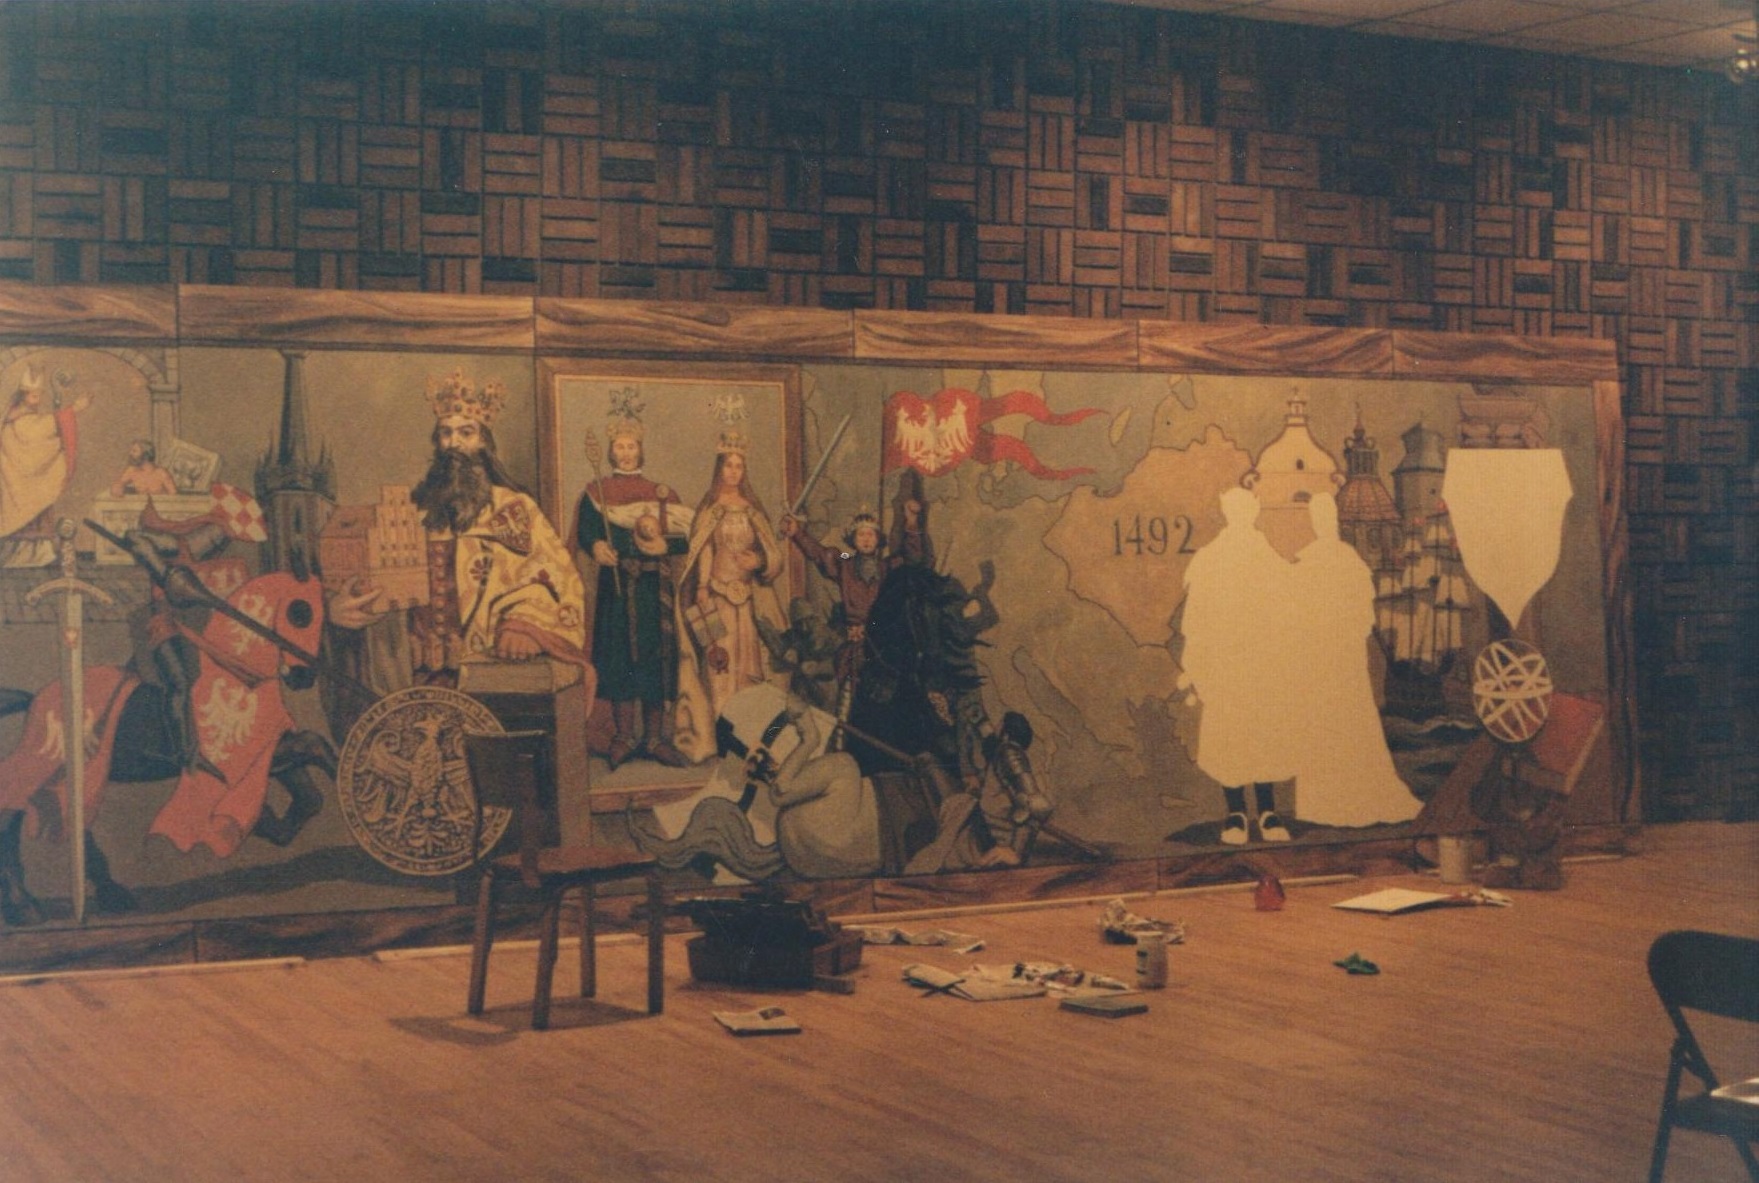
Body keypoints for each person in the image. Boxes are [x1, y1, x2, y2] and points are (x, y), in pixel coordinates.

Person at [326, 371, 589, 735]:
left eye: (466, 432)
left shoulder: (513, 510)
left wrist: (524, 627)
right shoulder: (408, 514)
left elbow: (551, 577)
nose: (453, 443)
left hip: (486, 677)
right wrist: (340, 612)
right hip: (410, 679)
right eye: (445, 434)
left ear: (484, 444)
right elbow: (367, 581)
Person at [1286, 492, 1420, 827]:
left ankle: (1335, 801)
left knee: (1341, 721)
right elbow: (1360, 617)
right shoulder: (1342, 561)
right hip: (1335, 657)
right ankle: (1328, 802)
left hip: (1333, 658)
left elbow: (1354, 615)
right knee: (1335, 721)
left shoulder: (1323, 563)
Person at [1178, 486, 1298, 845]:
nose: (1242, 515)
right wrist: (1197, 662)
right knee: (1230, 735)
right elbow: (1196, 617)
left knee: (1263, 733)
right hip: (1225, 663)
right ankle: (1235, 814)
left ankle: (1268, 811)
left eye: (1247, 509)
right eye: (1235, 509)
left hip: (1263, 662)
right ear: (1227, 513)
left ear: (1254, 512)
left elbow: (1286, 610)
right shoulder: (1210, 558)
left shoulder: (1269, 558)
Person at [573, 414, 691, 769]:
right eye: (619, 447)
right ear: (610, 452)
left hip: (653, 589)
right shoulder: (597, 492)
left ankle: (654, 738)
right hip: (617, 588)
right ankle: (623, 736)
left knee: (655, 661)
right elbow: (586, 531)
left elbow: (684, 535)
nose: (625, 453)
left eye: (631, 446)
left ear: (641, 450)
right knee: (619, 660)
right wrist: (597, 546)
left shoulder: (661, 493)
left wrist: (664, 544)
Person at [673, 430, 788, 763]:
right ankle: (721, 739)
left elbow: (773, 555)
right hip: (717, 600)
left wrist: (759, 561)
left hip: (747, 602)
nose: (733, 471)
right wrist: (702, 588)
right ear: (719, 468)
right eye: (728, 465)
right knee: (719, 668)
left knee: (749, 670)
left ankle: (749, 738)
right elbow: (704, 551)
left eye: (739, 466)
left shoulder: (752, 511)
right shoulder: (711, 510)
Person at [778, 501, 927, 741]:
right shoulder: (846, 561)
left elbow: (913, 559)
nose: (866, 539)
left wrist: (911, 522)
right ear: (853, 539)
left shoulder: (888, 565)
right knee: (846, 691)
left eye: (871, 534)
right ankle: (840, 739)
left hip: (884, 643)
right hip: (854, 646)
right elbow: (822, 553)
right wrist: (797, 532)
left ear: (878, 539)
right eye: (861, 535)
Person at [1, 364, 91, 562]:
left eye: (39, 396)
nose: (39, 400)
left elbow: (41, 436)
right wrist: (73, 410)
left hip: (26, 481)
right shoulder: (18, 419)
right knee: (27, 513)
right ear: (23, 396)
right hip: (18, 481)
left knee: (38, 508)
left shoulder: (21, 416)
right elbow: (38, 433)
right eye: (34, 396)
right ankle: (20, 557)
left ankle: (38, 555)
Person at [109, 439, 178, 497]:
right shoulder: (132, 471)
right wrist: (117, 488)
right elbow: (119, 484)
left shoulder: (161, 473)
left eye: (134, 451)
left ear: (145, 454)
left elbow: (174, 496)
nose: (130, 453)